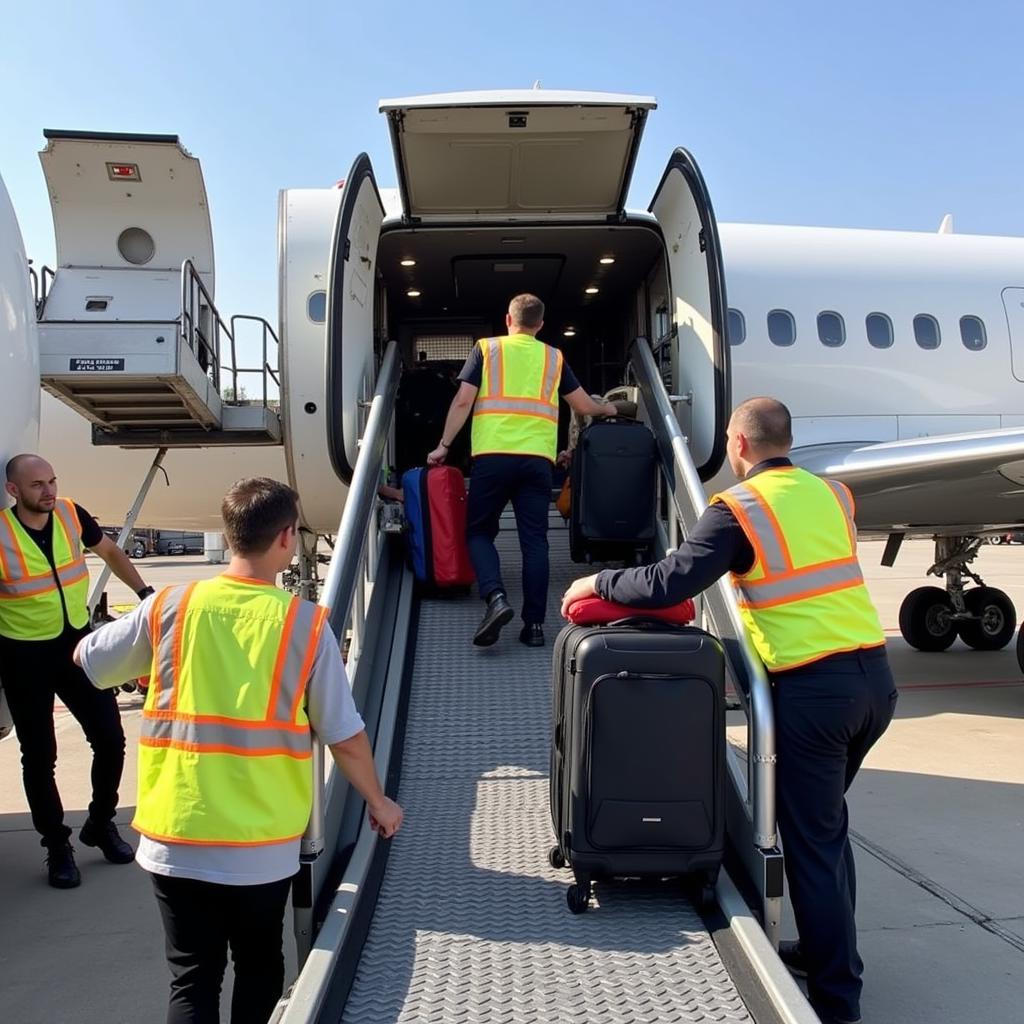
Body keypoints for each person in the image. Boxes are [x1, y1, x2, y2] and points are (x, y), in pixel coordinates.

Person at [561, 398, 896, 1024]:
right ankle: (830, 952)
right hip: (874, 682)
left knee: (812, 843)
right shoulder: (834, 496)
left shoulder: (740, 508)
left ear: (737, 443)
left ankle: (838, 1000)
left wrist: (596, 583)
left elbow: (669, 581)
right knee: (824, 830)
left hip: (814, 691)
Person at [74, 476, 403, 1024]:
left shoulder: (170, 608)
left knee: (192, 975)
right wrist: (378, 801)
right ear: (286, 538)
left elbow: (89, 659)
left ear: (229, 537)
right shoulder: (303, 623)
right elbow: (344, 735)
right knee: (259, 967)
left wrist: (142, 665)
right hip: (259, 845)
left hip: (176, 836)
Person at [427, 293, 620, 648]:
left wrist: (444, 445)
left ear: (508, 320)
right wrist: (607, 409)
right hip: (536, 462)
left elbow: (463, 400)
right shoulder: (553, 357)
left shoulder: (486, 349)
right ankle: (534, 627)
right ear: (541, 325)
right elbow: (581, 404)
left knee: (478, 533)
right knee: (535, 543)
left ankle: (496, 598)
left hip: (493, 457)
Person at [0, 453, 153, 888]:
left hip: (75, 647)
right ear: (14, 491)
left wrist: (145, 592)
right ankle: (56, 845)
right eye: (36, 486)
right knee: (39, 757)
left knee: (110, 739)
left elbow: (108, 551)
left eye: (51, 481)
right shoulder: (1, 533)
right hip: (23, 656)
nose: (48, 491)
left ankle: (101, 822)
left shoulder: (70, 513)